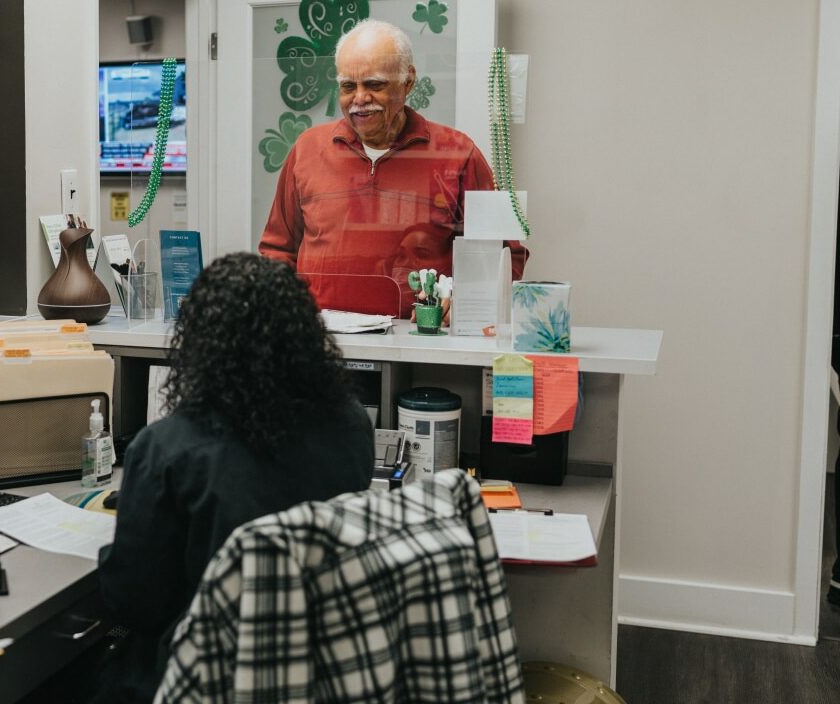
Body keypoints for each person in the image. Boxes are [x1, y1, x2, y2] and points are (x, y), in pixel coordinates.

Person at [97, 253, 375, 702]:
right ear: (305, 338)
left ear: (201, 345)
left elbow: (135, 601)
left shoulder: (167, 449)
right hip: (322, 675)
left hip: (201, 679)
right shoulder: (352, 426)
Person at [259, 19, 529, 317]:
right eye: (348, 86)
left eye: (374, 84)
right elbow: (277, 251)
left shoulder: (458, 153)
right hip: (319, 343)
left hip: (418, 345)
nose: (359, 99)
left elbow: (504, 255)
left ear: (408, 82)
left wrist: (464, 303)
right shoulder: (307, 149)